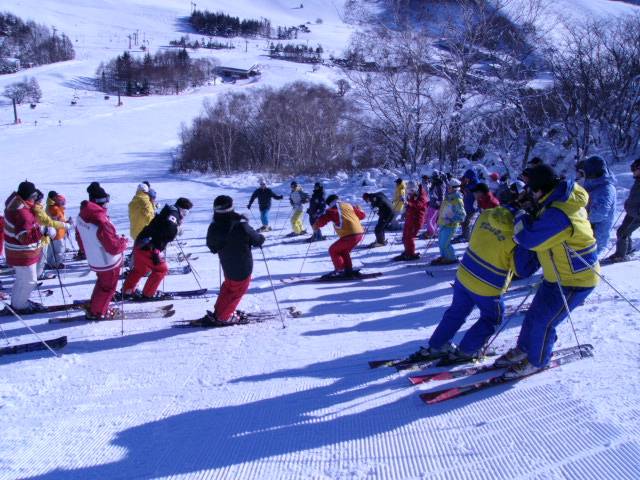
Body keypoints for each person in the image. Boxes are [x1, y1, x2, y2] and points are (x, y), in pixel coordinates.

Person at [497, 164, 599, 378]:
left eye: (531, 190)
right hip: (557, 275)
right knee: (533, 316)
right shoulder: (554, 200)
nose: (529, 194)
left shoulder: (560, 214)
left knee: (544, 322)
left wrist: (521, 215)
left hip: (576, 280)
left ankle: (538, 361)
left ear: (541, 189)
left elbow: (529, 239)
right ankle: (525, 348)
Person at [408, 205, 539, 364]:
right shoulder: (518, 235)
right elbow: (521, 270)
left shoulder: (487, 214)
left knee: (456, 312)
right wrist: (535, 254)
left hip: (465, 273)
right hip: (488, 285)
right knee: (492, 317)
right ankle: (467, 350)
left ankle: (437, 345)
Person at [203, 195, 265, 325]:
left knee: (229, 287)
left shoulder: (214, 226)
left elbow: (212, 247)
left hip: (227, 264)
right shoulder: (241, 224)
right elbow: (256, 240)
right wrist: (261, 238)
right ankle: (224, 316)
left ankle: (220, 311)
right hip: (243, 266)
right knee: (238, 290)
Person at [123, 198, 193, 300]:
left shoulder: (169, 210)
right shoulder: (173, 214)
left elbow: (162, 229)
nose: (185, 215)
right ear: (182, 209)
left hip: (141, 243)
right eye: (186, 212)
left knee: (141, 269)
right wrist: (177, 230)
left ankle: (127, 291)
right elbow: (169, 229)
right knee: (161, 269)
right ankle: (148, 294)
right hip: (148, 246)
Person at [76, 182, 128, 320]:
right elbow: (113, 247)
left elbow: (79, 236)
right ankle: (98, 312)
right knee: (108, 287)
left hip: (95, 258)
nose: (107, 204)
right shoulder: (101, 220)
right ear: (101, 201)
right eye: (106, 200)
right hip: (107, 260)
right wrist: (123, 242)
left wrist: (86, 251)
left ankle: (96, 306)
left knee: (102, 283)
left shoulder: (83, 215)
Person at [3, 181, 53, 313]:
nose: (35, 198)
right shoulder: (22, 213)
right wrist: (42, 231)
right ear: (28, 196)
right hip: (22, 253)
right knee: (30, 281)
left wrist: (36, 205)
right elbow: (24, 238)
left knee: (22, 279)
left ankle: (17, 303)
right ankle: (20, 306)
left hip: (15, 250)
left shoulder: (16, 203)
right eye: (34, 196)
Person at [312, 194, 366, 278]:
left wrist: (316, 225)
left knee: (333, 250)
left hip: (349, 235)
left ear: (330, 203)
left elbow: (324, 220)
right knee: (344, 251)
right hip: (359, 233)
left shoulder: (332, 209)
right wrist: (360, 209)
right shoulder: (349, 206)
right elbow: (362, 216)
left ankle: (340, 270)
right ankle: (348, 270)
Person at [605, 158, 640, 263]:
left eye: (634, 169)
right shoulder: (638, 181)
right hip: (631, 212)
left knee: (622, 232)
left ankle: (620, 255)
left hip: (637, 214)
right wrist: (628, 203)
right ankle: (627, 251)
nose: (633, 171)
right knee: (623, 232)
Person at [582, 155, 616, 258]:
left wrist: (579, 218)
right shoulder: (592, 186)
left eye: (585, 173)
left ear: (592, 172)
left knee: (588, 260)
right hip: (586, 231)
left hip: (596, 234)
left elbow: (599, 214)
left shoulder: (606, 189)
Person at [32, 190, 69, 279]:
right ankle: (54, 264)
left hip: (50, 233)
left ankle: (49, 265)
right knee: (56, 250)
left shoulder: (46, 206)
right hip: (52, 233)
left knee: (49, 251)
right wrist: (65, 224)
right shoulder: (48, 208)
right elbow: (50, 221)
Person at [432, 178, 465, 265]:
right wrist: (439, 218)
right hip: (443, 224)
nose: (448, 188)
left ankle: (451, 258)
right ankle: (444, 256)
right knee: (441, 243)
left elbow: (462, 215)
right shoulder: (448, 197)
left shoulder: (457, 200)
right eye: (448, 186)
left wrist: (451, 220)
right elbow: (443, 210)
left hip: (450, 225)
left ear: (454, 188)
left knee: (445, 243)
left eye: (450, 187)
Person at [394, 181, 427, 261]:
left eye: (411, 190)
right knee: (405, 236)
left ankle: (411, 253)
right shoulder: (413, 193)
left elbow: (418, 205)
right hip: (410, 218)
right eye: (408, 191)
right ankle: (407, 251)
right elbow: (409, 205)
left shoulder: (422, 195)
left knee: (409, 237)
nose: (410, 192)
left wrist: (408, 203)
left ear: (416, 189)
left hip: (416, 219)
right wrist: (405, 211)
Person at [45, 191, 71, 269]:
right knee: (59, 248)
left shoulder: (50, 206)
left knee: (51, 249)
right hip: (57, 232)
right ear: (53, 198)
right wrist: (67, 223)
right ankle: (57, 263)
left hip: (53, 232)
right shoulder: (54, 208)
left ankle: (50, 263)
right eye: (56, 197)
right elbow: (57, 220)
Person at [423, 171, 445, 239]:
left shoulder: (439, 184)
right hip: (432, 203)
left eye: (433, 177)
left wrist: (438, 203)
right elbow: (432, 194)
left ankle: (432, 233)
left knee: (430, 220)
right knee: (432, 220)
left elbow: (441, 196)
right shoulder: (434, 184)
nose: (432, 179)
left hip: (435, 205)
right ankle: (431, 231)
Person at [460, 169, 478, 240]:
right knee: (463, 222)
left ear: (471, 177)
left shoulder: (475, 185)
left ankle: (467, 237)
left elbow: (476, 197)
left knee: (467, 223)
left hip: (471, 208)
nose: (466, 179)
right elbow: (465, 192)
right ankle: (463, 235)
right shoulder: (469, 184)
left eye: (467, 177)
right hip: (466, 206)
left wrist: (476, 206)